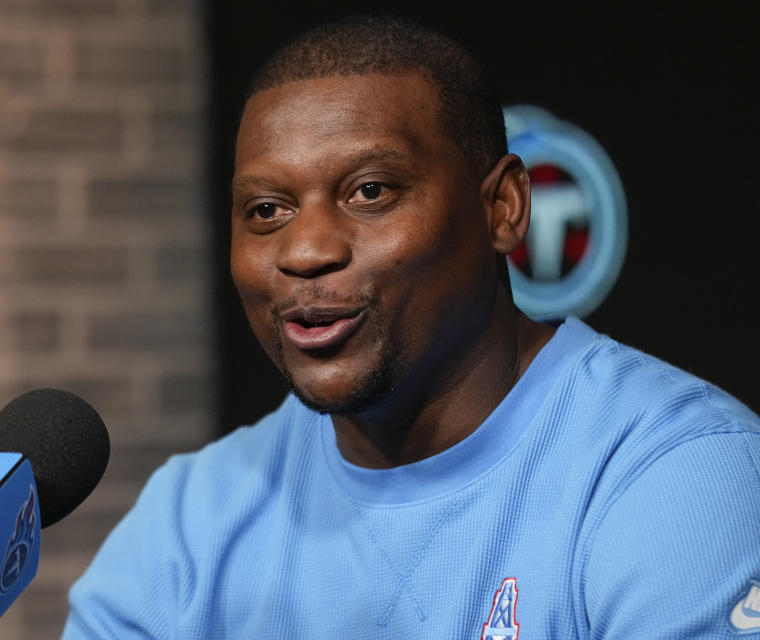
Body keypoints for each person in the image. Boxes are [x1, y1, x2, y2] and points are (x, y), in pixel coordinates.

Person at [61, 15, 760, 639]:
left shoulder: (676, 474)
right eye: (267, 211)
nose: (305, 252)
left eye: (370, 191)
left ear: (504, 208)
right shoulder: (189, 523)